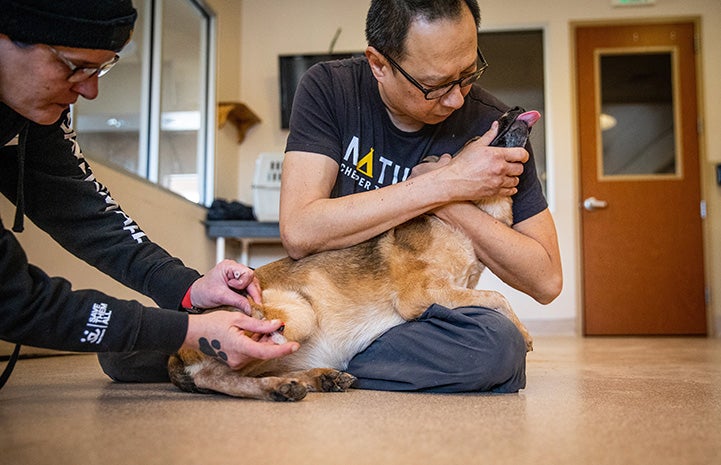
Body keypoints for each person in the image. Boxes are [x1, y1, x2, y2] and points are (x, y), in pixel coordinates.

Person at [0, 0, 298, 386]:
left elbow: (89, 215)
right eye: (74, 66)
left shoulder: (35, 111)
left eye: (101, 68)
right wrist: (188, 333)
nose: (90, 90)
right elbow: (16, 300)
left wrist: (185, 287)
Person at [281, 0, 562, 392]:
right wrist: (443, 182)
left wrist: (453, 200)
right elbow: (299, 228)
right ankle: (320, 352)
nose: (456, 99)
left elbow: (546, 279)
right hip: (335, 307)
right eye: (433, 85)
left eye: (467, 74)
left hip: (421, 316)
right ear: (378, 64)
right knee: (197, 324)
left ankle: (311, 357)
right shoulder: (330, 89)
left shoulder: (490, 131)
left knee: (498, 346)